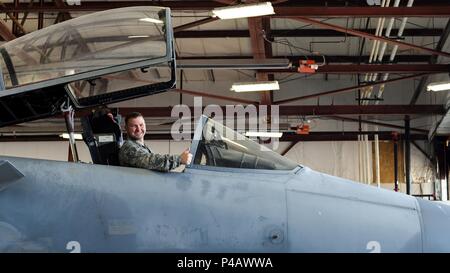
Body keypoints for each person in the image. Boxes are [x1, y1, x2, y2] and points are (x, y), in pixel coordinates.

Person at [119, 112, 192, 172]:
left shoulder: (144, 148)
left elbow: (158, 170)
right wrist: (179, 159)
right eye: (133, 126)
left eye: (141, 125)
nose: (138, 129)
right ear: (126, 128)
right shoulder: (128, 148)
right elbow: (152, 162)